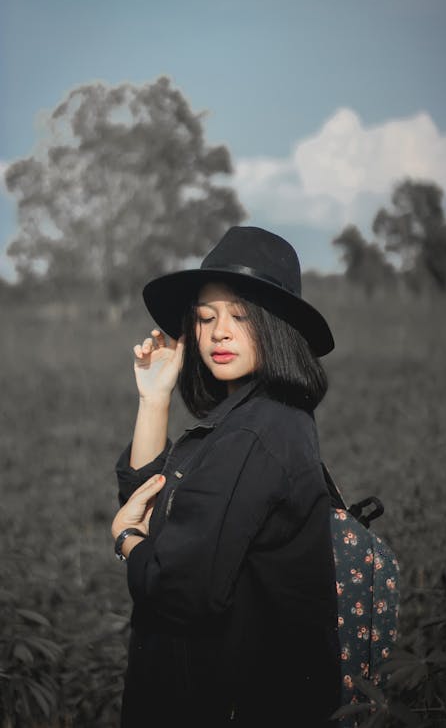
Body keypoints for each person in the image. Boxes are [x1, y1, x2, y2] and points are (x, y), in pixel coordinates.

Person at [111, 225, 341, 727]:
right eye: (205, 317)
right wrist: (155, 399)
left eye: (240, 315)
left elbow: (179, 586)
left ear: (275, 325)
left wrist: (127, 539)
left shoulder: (254, 434)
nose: (219, 331)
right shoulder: (260, 416)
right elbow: (156, 504)